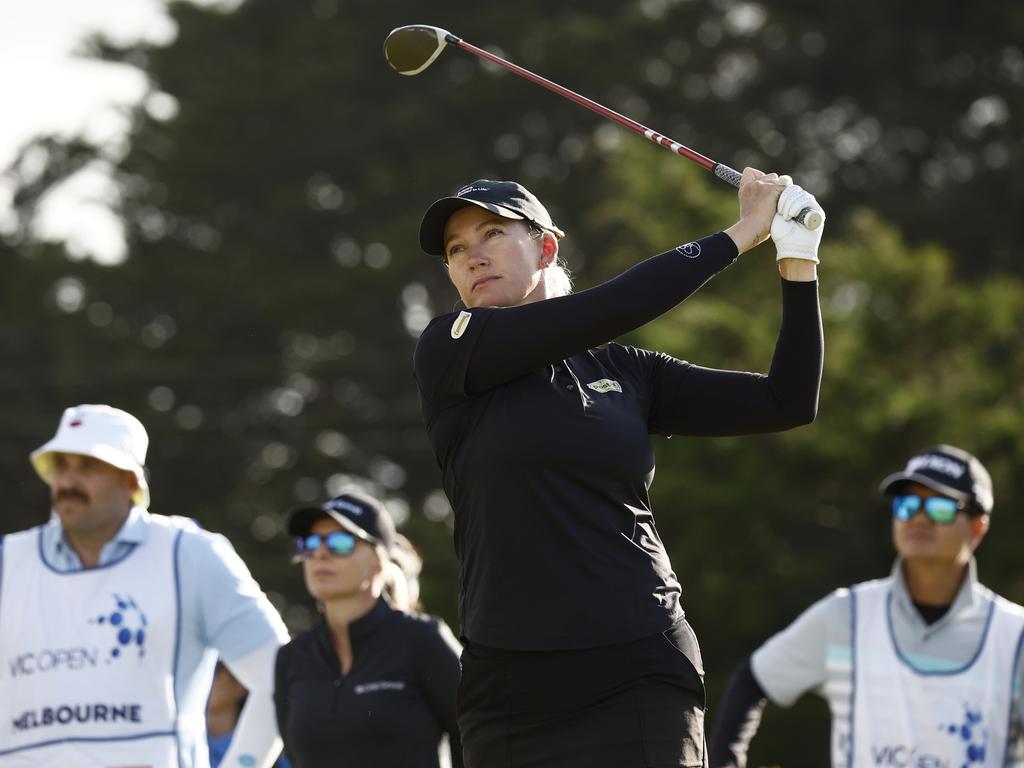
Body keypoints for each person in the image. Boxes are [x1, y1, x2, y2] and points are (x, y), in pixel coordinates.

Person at [412, 171, 825, 767]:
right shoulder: (449, 352)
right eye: (456, 250)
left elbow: (787, 402)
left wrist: (798, 262)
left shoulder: (626, 372)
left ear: (546, 246)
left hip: (638, 666)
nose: (472, 257)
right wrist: (739, 233)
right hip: (509, 688)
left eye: (492, 234)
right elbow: (611, 307)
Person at [0, 404, 289, 768]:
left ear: (130, 481)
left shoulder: (191, 554)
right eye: (60, 466)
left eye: (88, 466)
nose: (68, 482)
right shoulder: (7, 560)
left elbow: (281, 678)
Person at [708, 444, 1024, 767]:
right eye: (906, 504)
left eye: (940, 507)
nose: (918, 517)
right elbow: (753, 679)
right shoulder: (848, 615)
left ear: (977, 528)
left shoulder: (1015, 636)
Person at [273, 491, 463, 768]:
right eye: (311, 543)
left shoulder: (421, 639)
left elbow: (477, 734)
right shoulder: (291, 658)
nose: (321, 553)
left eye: (340, 542)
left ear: (378, 561)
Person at [207, 661, 292, 768]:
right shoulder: (187, 744)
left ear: (240, 685)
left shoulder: (278, 749)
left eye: (215, 671)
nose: (204, 679)